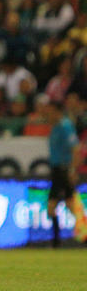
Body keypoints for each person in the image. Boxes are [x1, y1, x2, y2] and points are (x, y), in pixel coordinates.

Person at [44, 100, 87, 246]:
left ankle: (57, 242)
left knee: (60, 205)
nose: (47, 114)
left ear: (57, 111)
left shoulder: (65, 126)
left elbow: (75, 149)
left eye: (50, 111)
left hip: (64, 170)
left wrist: (73, 170)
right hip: (57, 170)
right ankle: (58, 242)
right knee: (67, 205)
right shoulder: (55, 127)